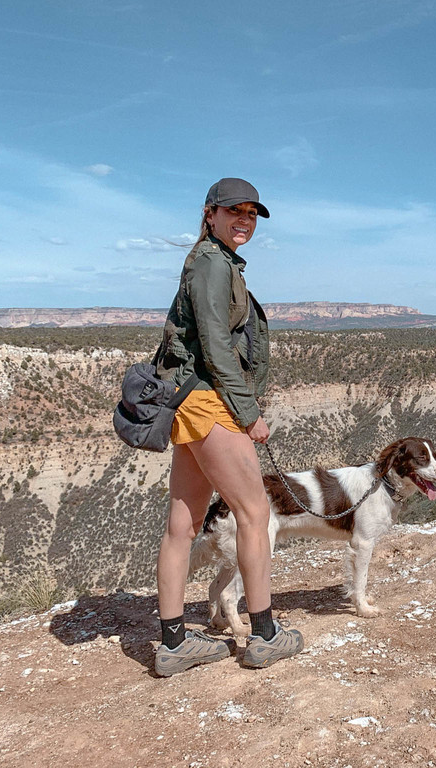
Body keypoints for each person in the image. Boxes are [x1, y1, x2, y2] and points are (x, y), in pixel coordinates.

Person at [152, 178, 304, 676]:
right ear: (209, 213)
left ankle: (174, 642)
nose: (244, 219)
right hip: (210, 402)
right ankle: (264, 634)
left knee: (184, 524)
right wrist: (249, 414)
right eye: (233, 210)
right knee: (254, 512)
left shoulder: (215, 261)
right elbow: (217, 347)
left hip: (192, 403)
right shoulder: (212, 264)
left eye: (252, 213)